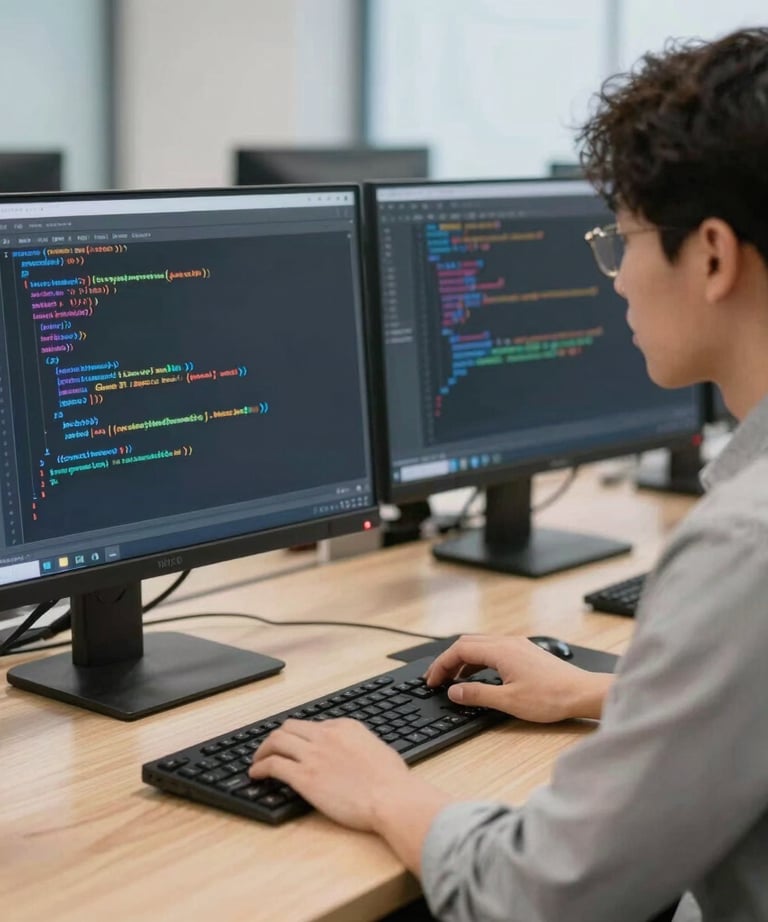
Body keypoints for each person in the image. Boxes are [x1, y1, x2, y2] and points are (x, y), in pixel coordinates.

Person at [250, 28, 768, 922]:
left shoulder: (744, 547)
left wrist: (382, 789)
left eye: (626, 240)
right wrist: (606, 695)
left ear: (714, 256)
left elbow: (537, 895)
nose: (617, 277)